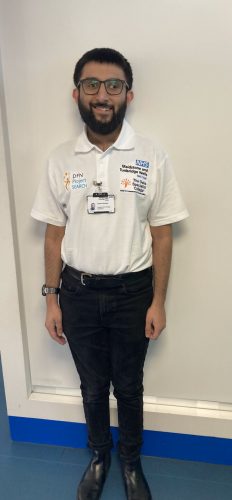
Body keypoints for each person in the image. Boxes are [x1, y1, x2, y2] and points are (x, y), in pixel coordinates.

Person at [31, 47, 188, 500]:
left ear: (129, 94)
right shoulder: (61, 159)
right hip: (76, 293)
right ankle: (100, 455)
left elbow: (162, 234)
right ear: (76, 94)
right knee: (93, 386)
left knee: (130, 386)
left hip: (132, 293)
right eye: (92, 85)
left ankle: (132, 463)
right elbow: (52, 236)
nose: (103, 95)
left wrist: (158, 301)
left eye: (113, 86)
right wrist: (51, 299)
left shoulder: (151, 156)